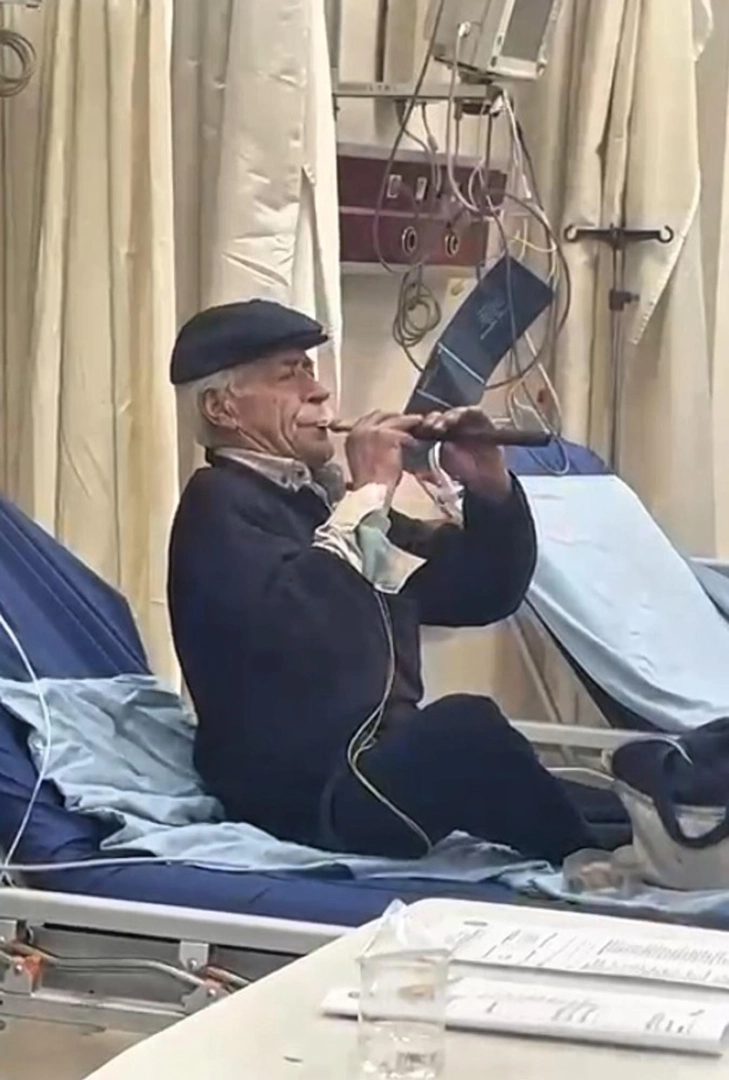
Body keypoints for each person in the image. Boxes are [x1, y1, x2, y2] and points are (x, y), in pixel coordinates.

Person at [167, 299, 596, 863]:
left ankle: (634, 844)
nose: (318, 392)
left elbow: (483, 592)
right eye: (288, 375)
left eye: (310, 370)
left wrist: (488, 488)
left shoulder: (318, 505)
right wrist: (369, 492)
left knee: (616, 805)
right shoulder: (216, 506)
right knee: (466, 729)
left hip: (375, 772)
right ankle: (596, 868)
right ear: (222, 408)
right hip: (311, 802)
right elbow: (301, 630)